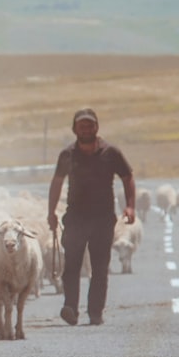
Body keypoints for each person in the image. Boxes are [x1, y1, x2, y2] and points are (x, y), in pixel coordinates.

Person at [47, 107, 135, 326]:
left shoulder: (111, 153)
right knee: (72, 265)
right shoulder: (67, 155)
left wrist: (130, 206)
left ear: (97, 127)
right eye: (81, 125)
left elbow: (127, 177)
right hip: (75, 217)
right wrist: (51, 212)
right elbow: (57, 182)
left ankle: (95, 311)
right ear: (74, 128)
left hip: (103, 218)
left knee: (99, 267)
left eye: (90, 125)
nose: (86, 129)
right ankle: (71, 308)